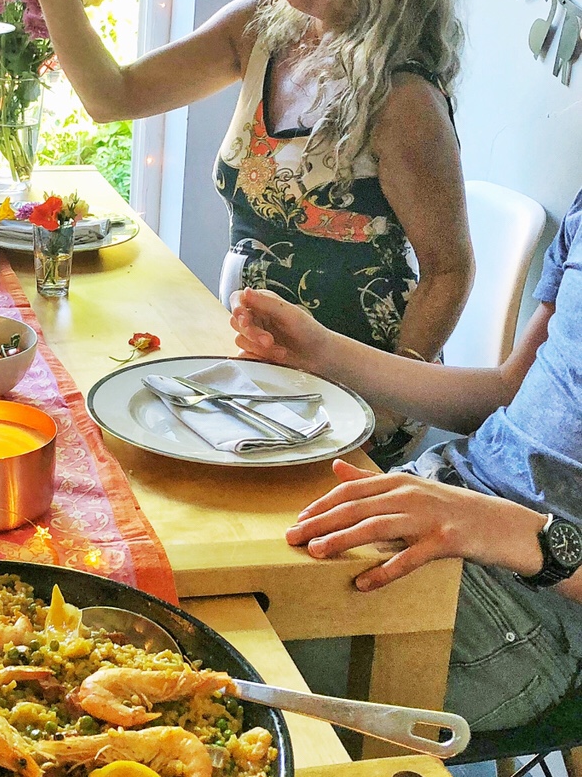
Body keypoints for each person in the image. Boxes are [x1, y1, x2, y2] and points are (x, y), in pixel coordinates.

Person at [0, 0, 475, 463]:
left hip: (353, 389)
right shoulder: (263, 28)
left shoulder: (404, 100)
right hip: (254, 363)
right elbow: (112, 96)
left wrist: (391, 410)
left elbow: (449, 270)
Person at [227, 181, 582, 733]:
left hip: (534, 605)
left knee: (214, 651)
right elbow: (506, 394)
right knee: (192, 560)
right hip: (439, 497)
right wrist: (323, 352)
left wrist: (519, 533)